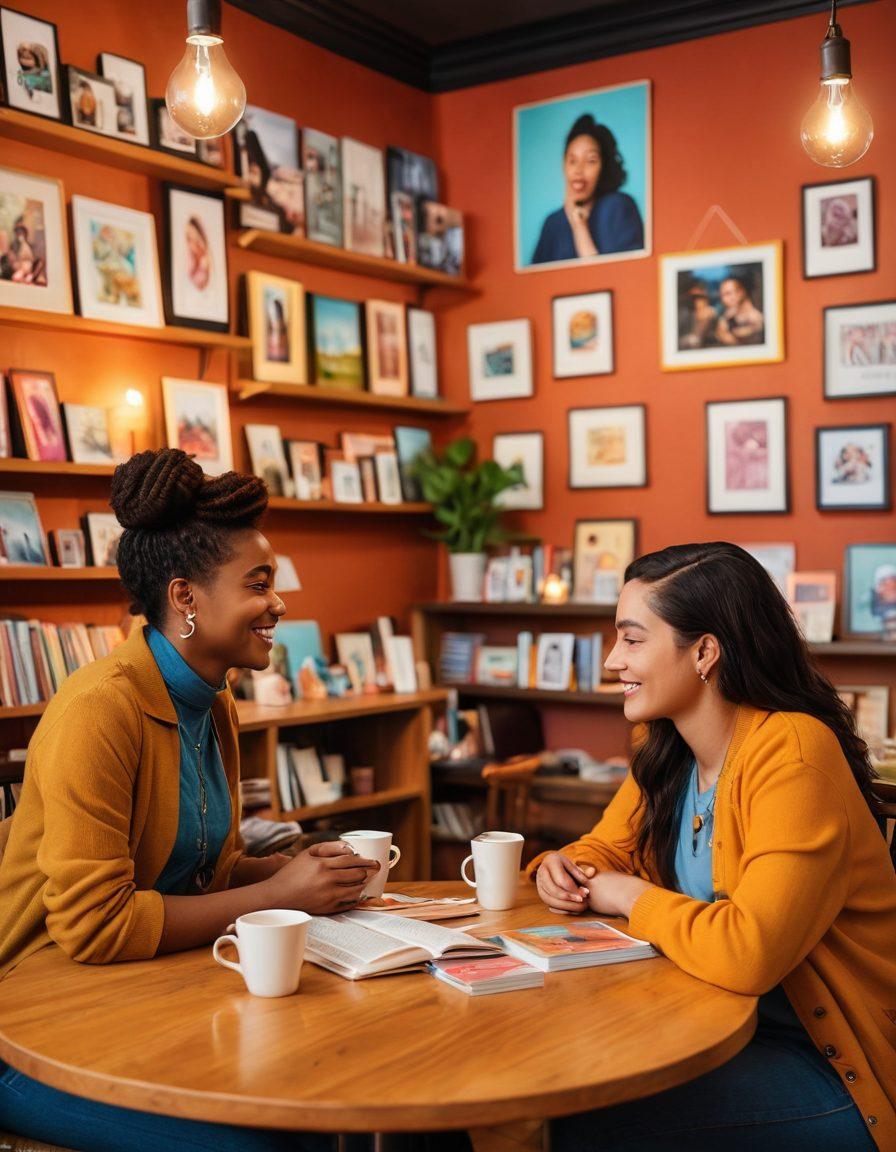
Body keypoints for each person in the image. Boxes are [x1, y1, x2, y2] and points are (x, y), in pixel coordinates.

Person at [0, 447, 381, 1151]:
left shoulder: (211, 700)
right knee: (258, 1145)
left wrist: (304, 873)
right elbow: (93, 927)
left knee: (340, 1101)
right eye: (259, 584)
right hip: (30, 1028)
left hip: (137, 996)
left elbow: (204, 867)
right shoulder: (99, 711)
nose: (279, 603)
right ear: (185, 598)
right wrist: (281, 895)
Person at [533, 542, 896, 1151]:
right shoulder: (665, 744)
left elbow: (748, 951)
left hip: (831, 1066)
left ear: (704, 651)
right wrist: (559, 868)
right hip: (708, 1026)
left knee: (577, 1119)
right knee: (546, 1076)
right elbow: (604, 852)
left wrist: (628, 896)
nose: (612, 660)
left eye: (632, 639)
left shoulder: (793, 753)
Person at [531, 114, 644, 264]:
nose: (579, 170)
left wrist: (579, 226)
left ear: (603, 167)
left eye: (590, 161)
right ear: (564, 165)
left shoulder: (618, 206)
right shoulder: (552, 223)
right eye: (572, 161)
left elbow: (619, 278)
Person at [713, 275, 764, 345]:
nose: (723, 299)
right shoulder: (730, 317)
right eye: (722, 295)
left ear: (741, 292)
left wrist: (722, 330)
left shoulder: (755, 318)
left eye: (728, 293)